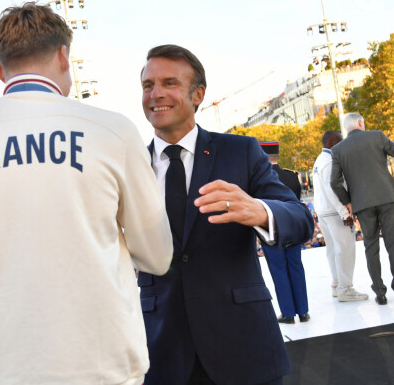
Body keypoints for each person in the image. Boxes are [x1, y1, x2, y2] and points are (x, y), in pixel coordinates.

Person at [0, 2, 173, 385]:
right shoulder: (111, 131)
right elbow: (157, 254)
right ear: (64, 57)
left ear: (1, 70)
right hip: (103, 369)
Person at [138, 44, 314, 385]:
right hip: (160, 352)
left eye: (170, 83)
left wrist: (259, 210)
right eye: (148, 85)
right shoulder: (127, 165)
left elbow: (300, 219)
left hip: (243, 345)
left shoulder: (241, 151)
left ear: (198, 94)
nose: (156, 94)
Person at [330, 112, 394, 305]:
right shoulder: (377, 136)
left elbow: (334, 182)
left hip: (362, 204)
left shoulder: (338, 150)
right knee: (393, 243)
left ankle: (379, 292)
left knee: (371, 246)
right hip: (387, 197)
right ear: (360, 122)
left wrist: (348, 201)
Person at [312, 130, 368, 302]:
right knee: (345, 250)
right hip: (335, 212)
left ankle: (337, 285)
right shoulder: (329, 161)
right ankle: (346, 289)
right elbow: (332, 189)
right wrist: (344, 212)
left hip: (324, 211)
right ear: (334, 143)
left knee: (333, 250)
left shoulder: (320, 159)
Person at [259, 141, 309, 324]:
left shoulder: (259, 179)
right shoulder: (291, 176)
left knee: (279, 270)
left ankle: (288, 313)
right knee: (296, 267)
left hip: (271, 230)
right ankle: (303, 311)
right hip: (293, 228)